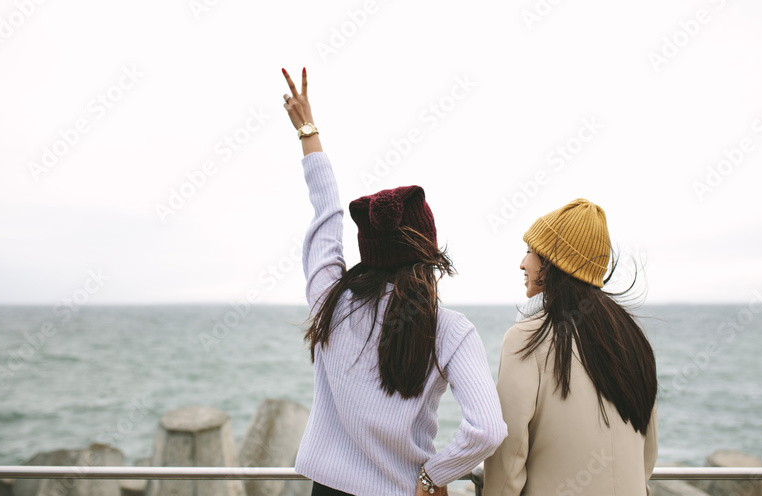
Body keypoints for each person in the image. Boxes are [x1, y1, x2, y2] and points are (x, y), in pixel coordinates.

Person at [280, 67, 506, 496]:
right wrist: (432, 475)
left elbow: (325, 215)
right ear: (428, 249)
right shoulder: (451, 329)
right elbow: (487, 431)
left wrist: (308, 131)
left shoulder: (331, 302)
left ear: (368, 249)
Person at [483, 199, 659, 496]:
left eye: (529, 251)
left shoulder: (526, 337)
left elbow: (508, 455)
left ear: (553, 261)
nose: (523, 263)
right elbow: (648, 451)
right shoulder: (633, 338)